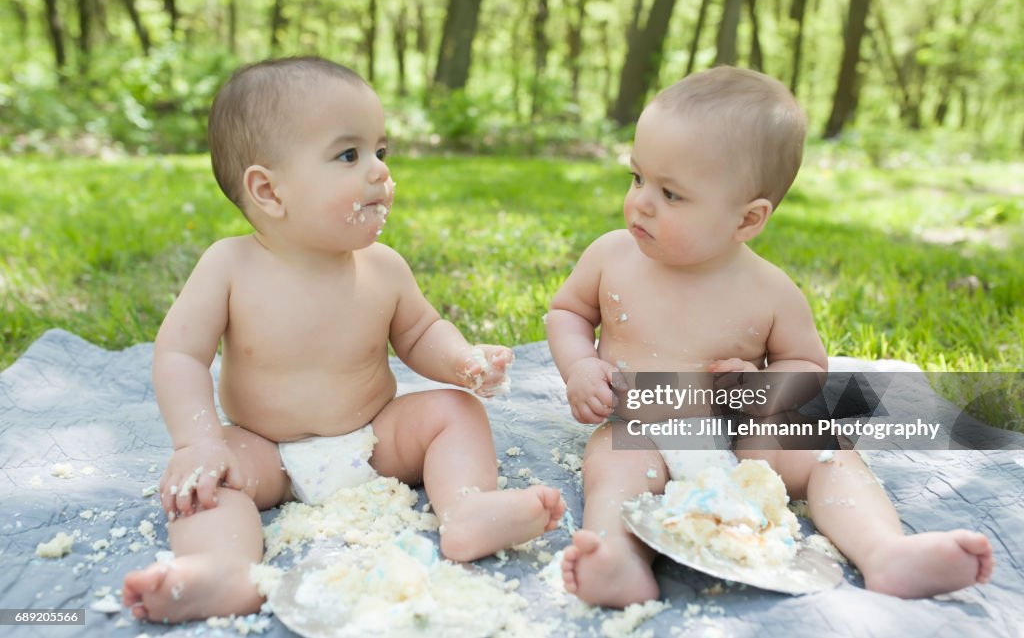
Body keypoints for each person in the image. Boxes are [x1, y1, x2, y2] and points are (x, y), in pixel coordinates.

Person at [122, 57, 564, 623]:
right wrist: (198, 441)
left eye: (381, 151)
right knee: (205, 485)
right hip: (265, 449)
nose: (379, 172)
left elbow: (421, 331)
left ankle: (467, 510)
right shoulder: (229, 266)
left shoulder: (382, 266)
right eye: (349, 155)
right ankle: (222, 571)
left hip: (376, 440)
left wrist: (462, 362)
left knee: (454, 411)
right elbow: (181, 354)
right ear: (268, 191)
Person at [546, 66, 994, 608]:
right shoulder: (611, 256)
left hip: (740, 434)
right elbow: (567, 312)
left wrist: (760, 387)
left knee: (829, 454)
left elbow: (807, 367)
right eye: (637, 177)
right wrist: (579, 366)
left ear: (748, 219)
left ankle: (886, 551)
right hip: (638, 428)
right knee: (612, 474)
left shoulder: (769, 292)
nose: (641, 202)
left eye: (671, 193)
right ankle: (618, 561)